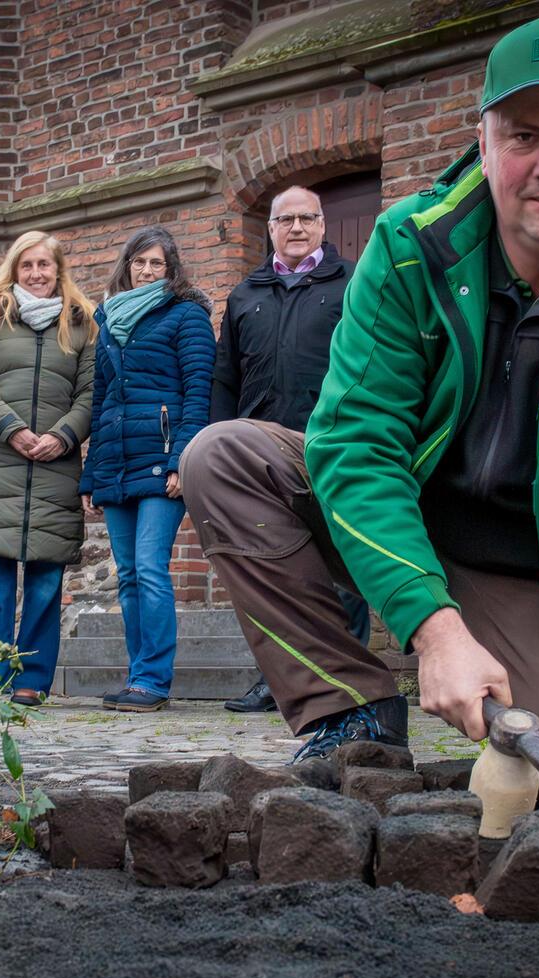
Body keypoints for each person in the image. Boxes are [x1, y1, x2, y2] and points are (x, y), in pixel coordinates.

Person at [180, 12, 539, 855]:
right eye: (523, 134)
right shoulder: (409, 249)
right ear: (483, 140)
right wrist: (432, 628)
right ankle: (354, 713)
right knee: (223, 457)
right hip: (419, 530)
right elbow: (355, 443)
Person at [210, 185, 370, 714]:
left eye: (307, 218)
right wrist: (217, 448)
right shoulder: (245, 295)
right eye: (286, 220)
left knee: (340, 567)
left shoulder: (352, 284)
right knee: (271, 568)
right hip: (259, 456)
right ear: (271, 229)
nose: (297, 227)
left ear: (323, 225)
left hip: (333, 444)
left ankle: (349, 682)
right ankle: (275, 681)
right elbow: (224, 381)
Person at [80, 226, 216, 713]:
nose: (147, 271)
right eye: (139, 262)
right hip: (116, 462)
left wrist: (182, 457)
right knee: (129, 575)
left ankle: (154, 680)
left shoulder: (187, 317)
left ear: (171, 269)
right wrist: (91, 473)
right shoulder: (111, 322)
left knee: (152, 569)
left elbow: (200, 390)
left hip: (161, 462)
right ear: (127, 266)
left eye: (157, 264)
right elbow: (101, 403)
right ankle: (138, 676)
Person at [0, 231, 97, 706]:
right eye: (27, 266)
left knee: (45, 581)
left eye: (45, 265)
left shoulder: (82, 326)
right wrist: (12, 429)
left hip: (56, 467)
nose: (36, 274)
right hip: (0, 462)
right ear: (14, 270)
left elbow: (91, 394)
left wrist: (62, 436)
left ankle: (32, 680)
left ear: (59, 270)